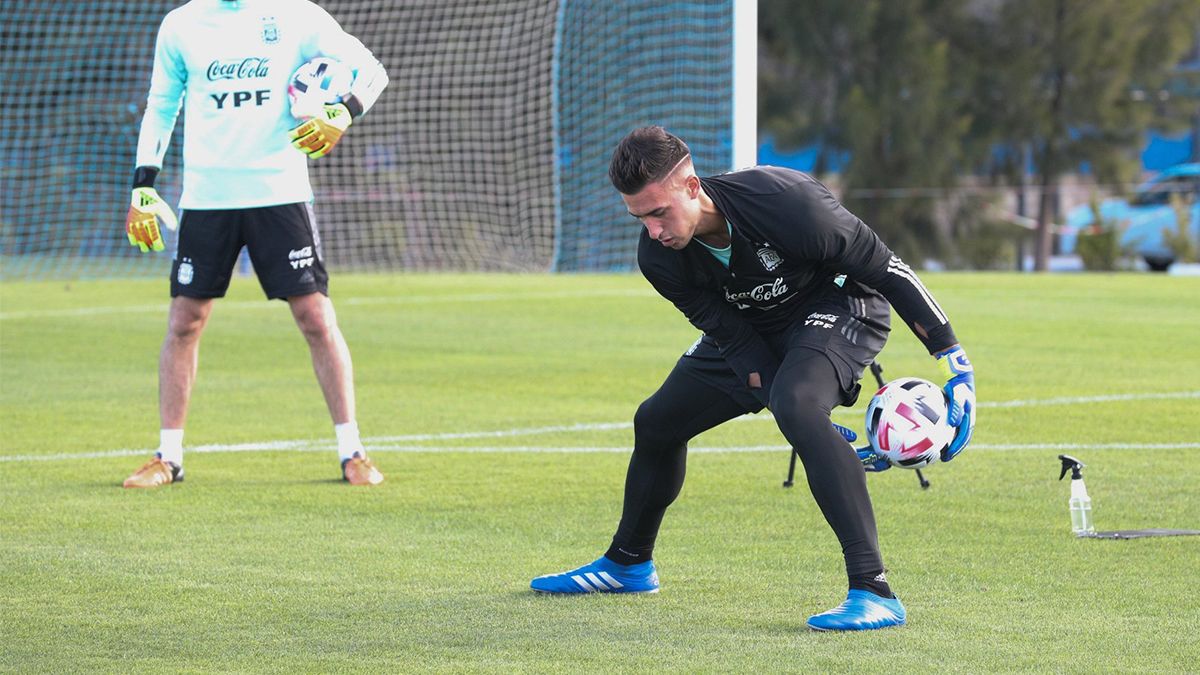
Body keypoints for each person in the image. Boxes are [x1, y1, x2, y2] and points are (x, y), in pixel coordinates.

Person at [529, 126, 976, 631]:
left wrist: (954, 362)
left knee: (799, 404)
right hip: (752, 326)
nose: (653, 230)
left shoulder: (786, 201)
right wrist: (807, 428)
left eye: (659, 212)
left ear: (692, 186)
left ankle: (874, 590)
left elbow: (887, 268)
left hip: (839, 305)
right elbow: (734, 340)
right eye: (639, 217)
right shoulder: (658, 258)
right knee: (656, 422)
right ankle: (628, 563)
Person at [122, 0, 389, 488]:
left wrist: (342, 112)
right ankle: (168, 458)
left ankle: (353, 452)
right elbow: (161, 106)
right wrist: (143, 185)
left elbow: (371, 70)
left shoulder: (297, 15)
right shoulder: (181, 25)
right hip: (207, 197)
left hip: (279, 192)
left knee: (315, 317)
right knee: (184, 321)